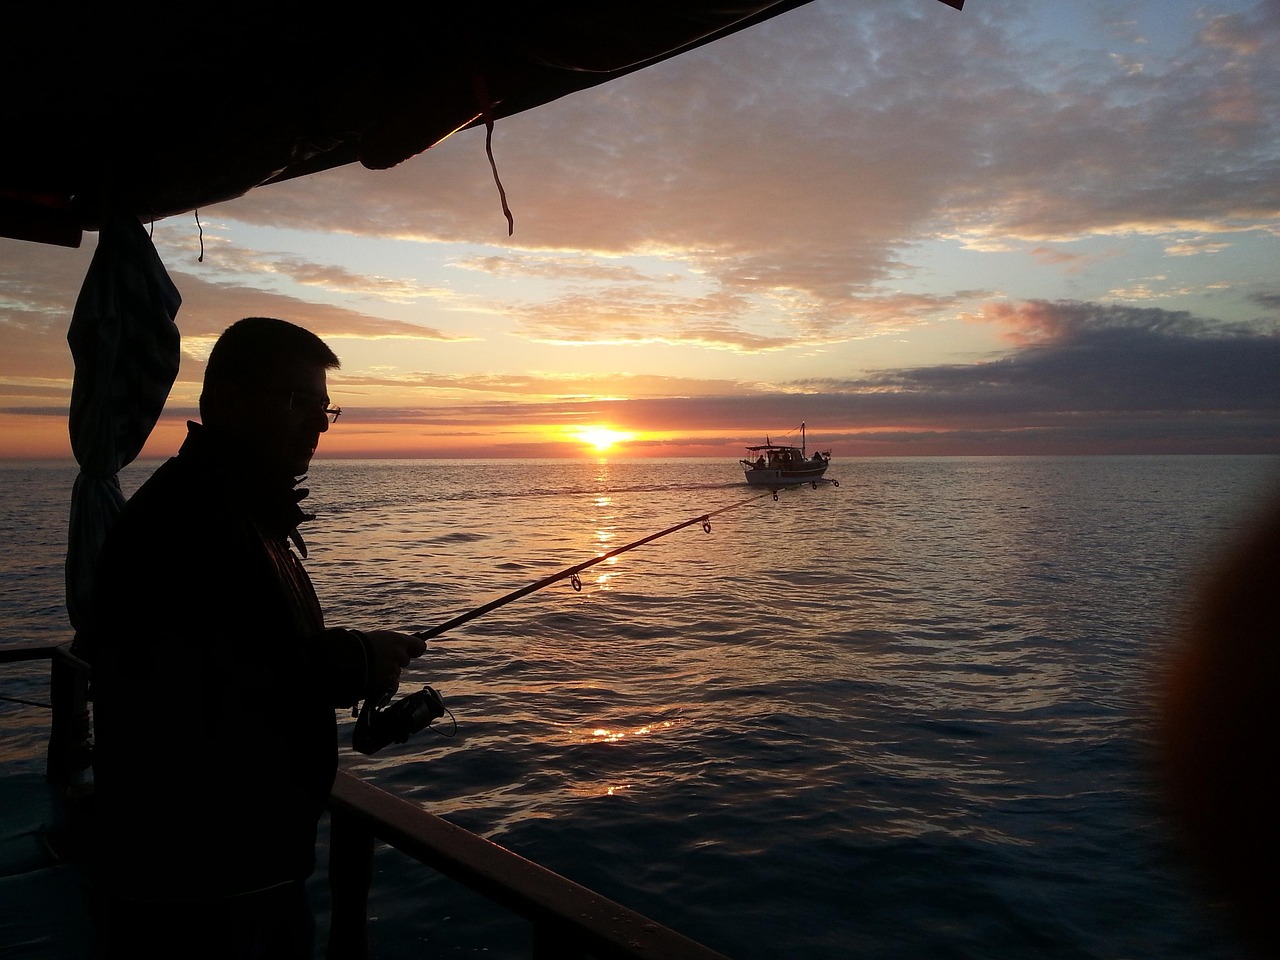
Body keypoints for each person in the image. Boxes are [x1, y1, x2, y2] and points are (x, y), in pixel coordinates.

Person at [84, 317, 426, 959]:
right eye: (298, 401)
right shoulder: (189, 520)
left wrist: (354, 657)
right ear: (228, 400)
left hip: (245, 866)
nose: (318, 425)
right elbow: (216, 676)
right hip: (197, 883)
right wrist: (357, 658)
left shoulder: (239, 508)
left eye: (325, 408)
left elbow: (252, 650)